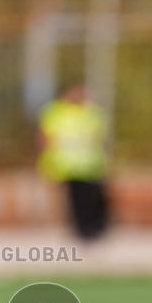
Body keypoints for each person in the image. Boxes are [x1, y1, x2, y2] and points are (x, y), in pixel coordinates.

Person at [37, 84, 110, 240]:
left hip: (90, 166)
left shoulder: (91, 112)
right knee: (76, 202)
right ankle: (83, 232)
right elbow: (45, 139)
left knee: (93, 200)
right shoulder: (56, 112)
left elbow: (100, 139)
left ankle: (95, 229)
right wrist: (46, 164)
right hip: (68, 166)